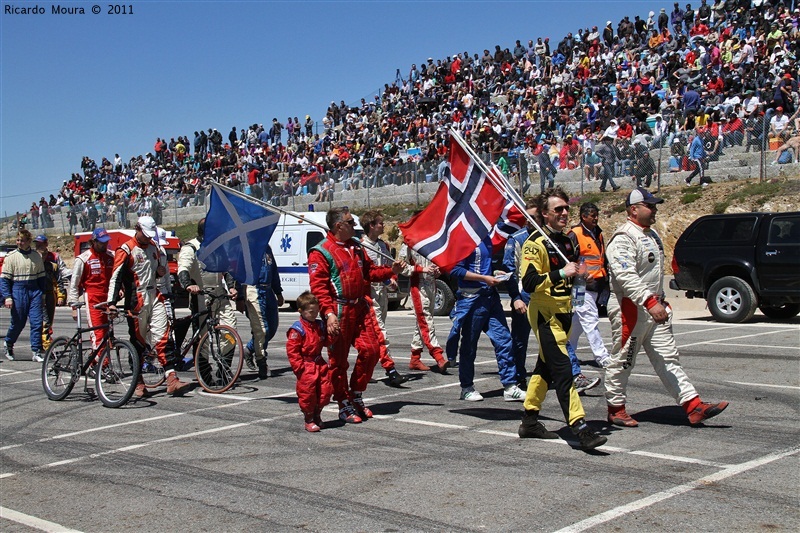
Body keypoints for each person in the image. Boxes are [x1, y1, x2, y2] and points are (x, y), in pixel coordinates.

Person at [604, 188, 729, 427]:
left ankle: (693, 406)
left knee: (668, 358)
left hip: (654, 308)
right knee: (623, 359)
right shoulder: (623, 237)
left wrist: (659, 300)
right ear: (634, 209)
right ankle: (616, 408)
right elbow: (625, 275)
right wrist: (650, 301)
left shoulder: (651, 235)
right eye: (650, 206)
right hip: (630, 309)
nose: (655, 209)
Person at [517, 187, 607, 451]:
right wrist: (561, 273)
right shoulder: (535, 243)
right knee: (564, 370)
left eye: (566, 208)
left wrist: (581, 277)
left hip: (566, 311)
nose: (565, 213)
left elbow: (573, 273)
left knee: (544, 370)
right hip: (545, 314)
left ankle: (530, 420)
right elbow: (530, 282)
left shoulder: (568, 241)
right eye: (558, 209)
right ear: (545, 214)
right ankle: (580, 427)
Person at [308, 207, 406, 424]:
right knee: (339, 361)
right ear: (338, 226)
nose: (356, 226)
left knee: (371, 350)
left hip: (360, 308)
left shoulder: (356, 247)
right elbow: (319, 287)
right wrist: (329, 313)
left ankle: (357, 394)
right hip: (339, 311)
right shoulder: (321, 252)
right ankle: (343, 401)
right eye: (351, 222)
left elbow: (370, 272)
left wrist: (392, 271)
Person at [108, 216, 192, 397]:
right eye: (145, 235)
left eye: (149, 235)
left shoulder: (154, 247)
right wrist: (112, 303)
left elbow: (155, 273)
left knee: (164, 336)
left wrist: (159, 273)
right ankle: (138, 382)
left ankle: (172, 379)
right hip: (136, 300)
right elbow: (116, 277)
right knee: (138, 342)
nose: (147, 238)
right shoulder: (125, 249)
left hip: (155, 295)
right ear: (137, 228)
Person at [448, 234, 525, 402]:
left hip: (490, 298)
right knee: (469, 345)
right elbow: (455, 269)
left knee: (504, 340)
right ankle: (466, 387)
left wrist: (495, 273)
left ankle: (510, 385)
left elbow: (484, 267)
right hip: (471, 299)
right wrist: (483, 278)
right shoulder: (463, 238)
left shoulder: (486, 239)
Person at [177, 218, 240, 376]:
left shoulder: (219, 247)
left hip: (220, 295)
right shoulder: (191, 248)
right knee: (203, 337)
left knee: (230, 331)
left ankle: (224, 368)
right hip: (201, 297)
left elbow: (228, 269)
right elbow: (182, 268)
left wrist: (231, 287)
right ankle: (204, 373)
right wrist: (188, 285)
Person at [359, 210, 408, 386]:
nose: (383, 226)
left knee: (374, 335)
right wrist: (386, 278)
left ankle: (364, 369)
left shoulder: (384, 245)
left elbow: (389, 266)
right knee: (381, 333)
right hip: (369, 294)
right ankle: (390, 370)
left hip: (383, 294)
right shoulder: (361, 247)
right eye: (380, 223)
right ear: (371, 225)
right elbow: (367, 273)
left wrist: (393, 280)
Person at [568, 203, 612, 368]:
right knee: (590, 319)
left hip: (596, 285)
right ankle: (601, 356)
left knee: (578, 322)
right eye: (592, 215)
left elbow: (600, 257)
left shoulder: (598, 233)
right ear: (583, 216)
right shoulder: (575, 234)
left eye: (596, 215)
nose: (595, 218)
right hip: (580, 286)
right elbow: (568, 259)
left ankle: (567, 351)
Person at [286, 291, 333, 433]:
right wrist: (299, 368)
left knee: (325, 390)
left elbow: (326, 342)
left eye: (316, 311)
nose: (314, 314)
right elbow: (292, 351)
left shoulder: (320, 325)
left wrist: (333, 334)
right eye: (311, 312)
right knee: (308, 394)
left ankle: (318, 414)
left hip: (319, 362)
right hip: (306, 365)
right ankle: (309, 418)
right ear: (301, 311)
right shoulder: (297, 329)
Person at [399, 238, 448, 372]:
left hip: (431, 285)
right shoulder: (408, 242)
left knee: (420, 324)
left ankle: (415, 358)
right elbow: (401, 267)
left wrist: (438, 270)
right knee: (426, 322)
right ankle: (438, 356)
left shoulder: (432, 240)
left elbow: (437, 262)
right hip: (418, 287)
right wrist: (421, 269)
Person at [0, 229, 46, 362]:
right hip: (18, 290)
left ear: (29, 241)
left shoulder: (36, 256)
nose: (20, 243)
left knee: (37, 322)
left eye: (23, 240)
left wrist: (42, 295)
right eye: (18, 240)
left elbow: (41, 277)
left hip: (34, 290)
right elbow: (4, 280)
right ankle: (8, 343)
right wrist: (7, 297)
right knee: (18, 322)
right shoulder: (11, 257)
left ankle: (36, 351)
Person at [241, 244, 284, 380]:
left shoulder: (267, 247)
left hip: (268, 290)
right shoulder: (245, 247)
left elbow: (274, 270)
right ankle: (262, 362)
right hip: (254, 289)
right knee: (262, 329)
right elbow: (239, 272)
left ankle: (250, 348)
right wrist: (240, 296)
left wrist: (278, 292)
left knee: (272, 327)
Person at [67, 228, 114, 351]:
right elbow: (74, 284)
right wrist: (73, 306)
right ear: (94, 241)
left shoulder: (111, 256)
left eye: (106, 241)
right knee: (98, 333)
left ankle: (95, 363)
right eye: (101, 242)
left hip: (108, 298)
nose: (104, 244)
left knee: (109, 334)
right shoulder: (83, 258)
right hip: (93, 298)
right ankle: (102, 366)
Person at [33, 235, 70, 351]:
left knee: (49, 319)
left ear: (46, 244)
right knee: (43, 320)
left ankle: (45, 341)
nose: (38, 245)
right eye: (36, 243)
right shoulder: (33, 257)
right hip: (37, 294)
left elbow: (59, 277)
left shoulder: (54, 258)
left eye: (41, 243)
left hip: (50, 294)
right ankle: (44, 344)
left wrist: (61, 295)